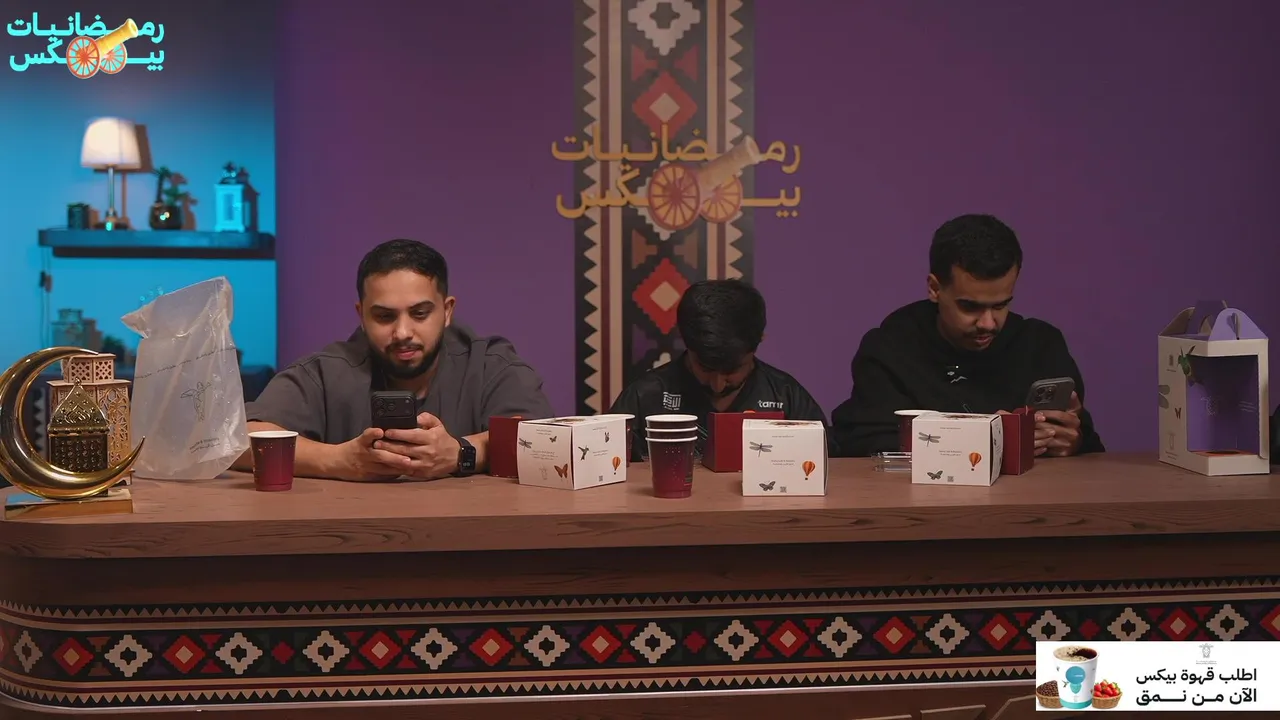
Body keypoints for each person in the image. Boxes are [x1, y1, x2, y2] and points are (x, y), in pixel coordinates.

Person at [238, 239, 554, 481]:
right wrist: (340, 460)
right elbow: (235, 444)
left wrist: (461, 452)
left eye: (420, 313)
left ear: (447, 311)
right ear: (362, 316)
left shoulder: (490, 365)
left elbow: (543, 440)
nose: (402, 332)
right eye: (384, 316)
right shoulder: (325, 372)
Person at [830, 213, 1104, 458]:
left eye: (1001, 305)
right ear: (935, 288)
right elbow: (862, 443)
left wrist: (1073, 442)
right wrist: (983, 442)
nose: (988, 323)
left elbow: (1092, 450)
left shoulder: (1041, 346)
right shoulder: (890, 350)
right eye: (970, 307)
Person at [608, 279, 828, 459]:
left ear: (759, 341)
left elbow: (824, 465)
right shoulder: (644, 396)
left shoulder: (786, 396)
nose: (718, 385)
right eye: (705, 368)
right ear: (686, 343)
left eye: (732, 370)